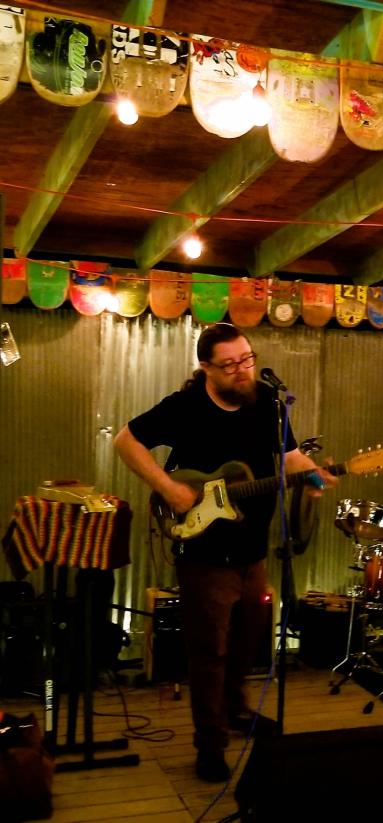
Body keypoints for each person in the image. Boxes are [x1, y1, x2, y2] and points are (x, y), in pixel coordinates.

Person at [114, 323, 334, 783]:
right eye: (230, 364)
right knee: (208, 650)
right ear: (207, 368)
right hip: (205, 551)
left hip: (252, 547)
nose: (242, 370)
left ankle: (235, 711)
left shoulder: (269, 405)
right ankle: (208, 744)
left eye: (247, 359)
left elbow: (289, 456)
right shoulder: (185, 407)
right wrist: (170, 487)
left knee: (245, 641)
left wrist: (313, 476)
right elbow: (125, 441)